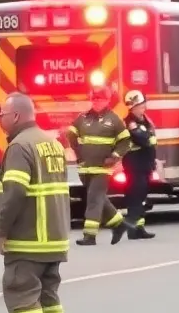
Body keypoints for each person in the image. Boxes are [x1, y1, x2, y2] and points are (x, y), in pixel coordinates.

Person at [0, 93, 71, 313]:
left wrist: (2, 231)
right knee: (49, 298)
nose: (0, 120)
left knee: (21, 293)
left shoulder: (19, 147)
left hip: (28, 239)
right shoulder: (52, 143)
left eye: (2, 114)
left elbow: (14, 193)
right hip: (54, 237)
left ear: (15, 116)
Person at [66, 84, 132, 245]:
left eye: (100, 99)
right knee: (99, 198)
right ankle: (119, 224)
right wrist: (77, 151)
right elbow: (70, 133)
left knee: (94, 199)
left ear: (107, 100)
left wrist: (115, 157)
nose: (96, 101)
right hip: (85, 167)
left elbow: (126, 141)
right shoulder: (83, 118)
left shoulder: (114, 120)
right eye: (94, 98)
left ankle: (90, 235)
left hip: (103, 168)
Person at [122, 90, 157, 239]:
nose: (144, 107)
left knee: (142, 197)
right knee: (135, 197)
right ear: (133, 107)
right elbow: (142, 139)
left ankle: (139, 228)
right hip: (134, 165)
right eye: (141, 105)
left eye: (144, 105)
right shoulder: (129, 122)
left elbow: (149, 138)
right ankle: (132, 230)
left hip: (145, 164)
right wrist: (148, 137)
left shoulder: (145, 120)